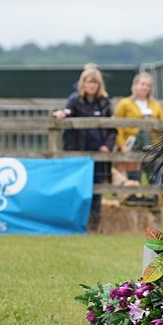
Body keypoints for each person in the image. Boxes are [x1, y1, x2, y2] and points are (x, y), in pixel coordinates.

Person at [54, 67, 116, 230]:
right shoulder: (74, 101)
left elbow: (113, 128)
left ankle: (94, 225)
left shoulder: (104, 103)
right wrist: (60, 115)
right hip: (77, 154)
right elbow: (66, 112)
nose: (92, 85)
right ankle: (73, 223)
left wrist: (107, 146)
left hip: (98, 154)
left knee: (96, 191)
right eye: (89, 81)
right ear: (83, 83)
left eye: (95, 82)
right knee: (76, 189)